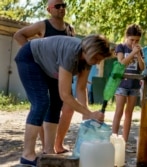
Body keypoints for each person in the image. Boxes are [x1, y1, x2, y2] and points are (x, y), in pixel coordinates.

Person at [15, 35, 112, 166]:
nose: (97, 62)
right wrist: (90, 114)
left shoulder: (87, 60)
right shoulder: (71, 53)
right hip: (30, 58)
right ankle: (27, 155)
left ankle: (48, 151)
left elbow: (81, 88)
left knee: (55, 104)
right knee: (41, 102)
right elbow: (65, 95)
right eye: (96, 58)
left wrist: (87, 117)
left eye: (100, 60)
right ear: (89, 50)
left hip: (48, 66)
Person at [13, 0, 76, 154]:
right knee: (42, 105)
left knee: (60, 106)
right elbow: (19, 35)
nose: (62, 8)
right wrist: (35, 56)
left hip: (59, 73)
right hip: (41, 71)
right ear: (49, 10)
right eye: (58, 6)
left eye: (64, 5)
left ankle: (55, 145)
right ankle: (44, 147)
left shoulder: (69, 29)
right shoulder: (43, 25)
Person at [112, 24, 145, 144]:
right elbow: (121, 64)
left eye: (137, 40)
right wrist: (132, 53)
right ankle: (114, 137)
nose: (134, 42)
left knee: (129, 113)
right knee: (119, 111)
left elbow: (142, 67)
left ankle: (124, 140)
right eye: (132, 40)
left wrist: (138, 55)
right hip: (121, 83)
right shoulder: (121, 47)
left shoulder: (139, 50)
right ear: (126, 37)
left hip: (134, 84)